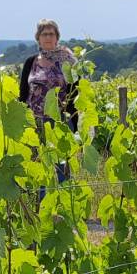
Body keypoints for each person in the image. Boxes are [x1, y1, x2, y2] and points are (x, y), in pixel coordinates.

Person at [18, 20, 78, 182]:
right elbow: (23, 93)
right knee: (37, 165)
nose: (48, 37)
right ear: (38, 37)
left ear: (57, 37)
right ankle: (41, 203)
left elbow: (75, 92)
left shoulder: (67, 60)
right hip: (35, 121)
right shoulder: (31, 62)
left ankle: (62, 202)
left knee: (61, 164)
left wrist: (76, 122)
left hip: (60, 120)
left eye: (51, 34)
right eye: (44, 34)